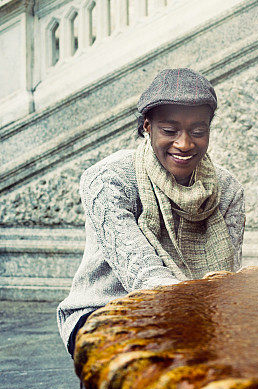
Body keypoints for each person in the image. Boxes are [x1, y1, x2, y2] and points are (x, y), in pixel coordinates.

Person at [57, 68, 245, 355]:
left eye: (198, 131)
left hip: (199, 313)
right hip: (105, 311)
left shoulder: (228, 188)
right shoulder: (109, 178)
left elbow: (225, 283)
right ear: (147, 127)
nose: (184, 144)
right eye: (169, 131)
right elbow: (141, 270)